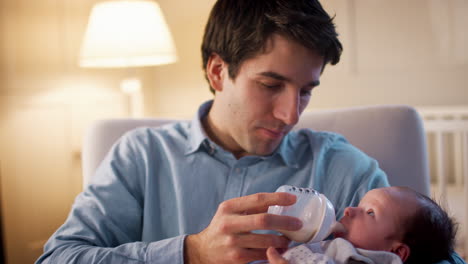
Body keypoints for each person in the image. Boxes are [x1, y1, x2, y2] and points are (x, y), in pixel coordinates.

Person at [36, 1, 464, 264]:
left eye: (306, 91)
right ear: (219, 72)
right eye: (271, 85)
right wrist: (191, 254)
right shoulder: (141, 157)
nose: (291, 114)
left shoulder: (345, 168)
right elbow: (58, 258)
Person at [264, 186, 457, 264]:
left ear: (396, 253)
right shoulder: (335, 247)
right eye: (359, 205)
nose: (349, 210)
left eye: (370, 212)